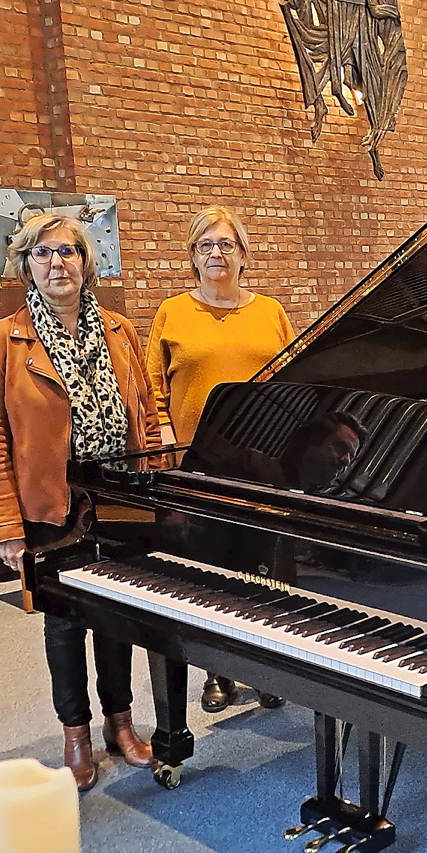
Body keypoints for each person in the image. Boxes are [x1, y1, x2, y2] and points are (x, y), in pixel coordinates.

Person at [0, 214, 161, 791]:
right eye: (42, 254)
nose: (57, 264)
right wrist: (3, 523)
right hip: (50, 504)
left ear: (87, 262)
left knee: (117, 616)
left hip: (120, 497)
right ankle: (75, 734)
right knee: (63, 623)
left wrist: (153, 482)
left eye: (68, 252)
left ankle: (120, 722)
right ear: (26, 264)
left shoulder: (121, 331)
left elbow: (147, 417)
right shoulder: (1, 340)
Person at [146, 206, 295, 712]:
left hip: (264, 461)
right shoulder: (172, 312)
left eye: (226, 244)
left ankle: (267, 665)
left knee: (266, 567)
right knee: (209, 569)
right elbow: (152, 387)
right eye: (205, 245)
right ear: (192, 255)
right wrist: (166, 439)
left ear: (243, 254)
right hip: (200, 463)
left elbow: (294, 383)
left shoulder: (271, 312)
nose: (216, 253)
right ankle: (219, 672)